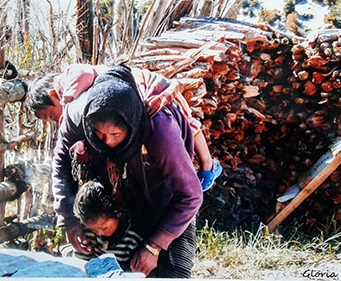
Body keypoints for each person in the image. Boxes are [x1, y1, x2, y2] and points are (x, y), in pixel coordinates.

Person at [52, 65, 203, 277]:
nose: (108, 142)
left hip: (166, 200)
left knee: (172, 274)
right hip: (118, 203)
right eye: (98, 133)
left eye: (115, 134)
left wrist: (154, 245)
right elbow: (61, 166)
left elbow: (190, 196)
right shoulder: (78, 116)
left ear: (131, 125)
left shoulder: (159, 129)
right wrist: (68, 220)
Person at [28, 64, 222, 191]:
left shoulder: (68, 79)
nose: (57, 120)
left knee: (184, 123)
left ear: (54, 95)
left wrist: (68, 99)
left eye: (52, 116)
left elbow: (85, 73)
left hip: (142, 87)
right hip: (123, 101)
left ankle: (207, 165)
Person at [72, 180, 143, 271]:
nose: (99, 233)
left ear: (118, 214)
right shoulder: (87, 234)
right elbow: (81, 265)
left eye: (104, 228)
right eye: (94, 230)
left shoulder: (132, 238)